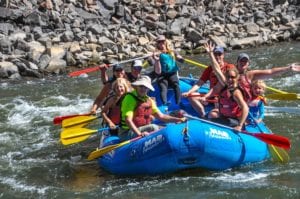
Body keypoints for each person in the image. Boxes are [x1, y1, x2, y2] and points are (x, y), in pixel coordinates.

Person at [119, 75, 186, 141]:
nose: (143, 89)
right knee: (153, 127)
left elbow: (161, 116)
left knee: (164, 127)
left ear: (148, 89)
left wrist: (178, 120)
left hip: (141, 128)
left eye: (145, 87)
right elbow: (128, 120)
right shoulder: (129, 98)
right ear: (136, 86)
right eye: (141, 86)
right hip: (127, 132)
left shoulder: (149, 100)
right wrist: (139, 134)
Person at [182, 42, 235, 117]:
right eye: (215, 55)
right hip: (211, 96)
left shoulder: (229, 67)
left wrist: (206, 97)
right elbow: (199, 83)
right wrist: (189, 92)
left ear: (223, 55)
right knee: (192, 96)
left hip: (224, 97)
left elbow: (220, 84)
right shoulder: (209, 69)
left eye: (219, 54)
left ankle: (217, 114)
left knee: (215, 112)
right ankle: (202, 114)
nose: (217, 57)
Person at [235, 53, 300, 102]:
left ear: (248, 63)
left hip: (246, 103)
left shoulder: (251, 74)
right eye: (241, 61)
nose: (243, 63)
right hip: (233, 103)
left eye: (245, 61)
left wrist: (288, 68)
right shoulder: (230, 72)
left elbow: (270, 72)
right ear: (237, 62)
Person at [153, 35, 184, 105]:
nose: (161, 43)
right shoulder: (156, 53)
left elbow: (181, 60)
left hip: (172, 73)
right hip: (162, 74)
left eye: (163, 41)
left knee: (176, 85)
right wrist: (153, 58)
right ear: (157, 44)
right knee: (163, 87)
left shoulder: (172, 51)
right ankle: (165, 103)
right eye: (159, 42)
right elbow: (151, 62)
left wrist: (179, 58)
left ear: (165, 41)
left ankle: (178, 103)